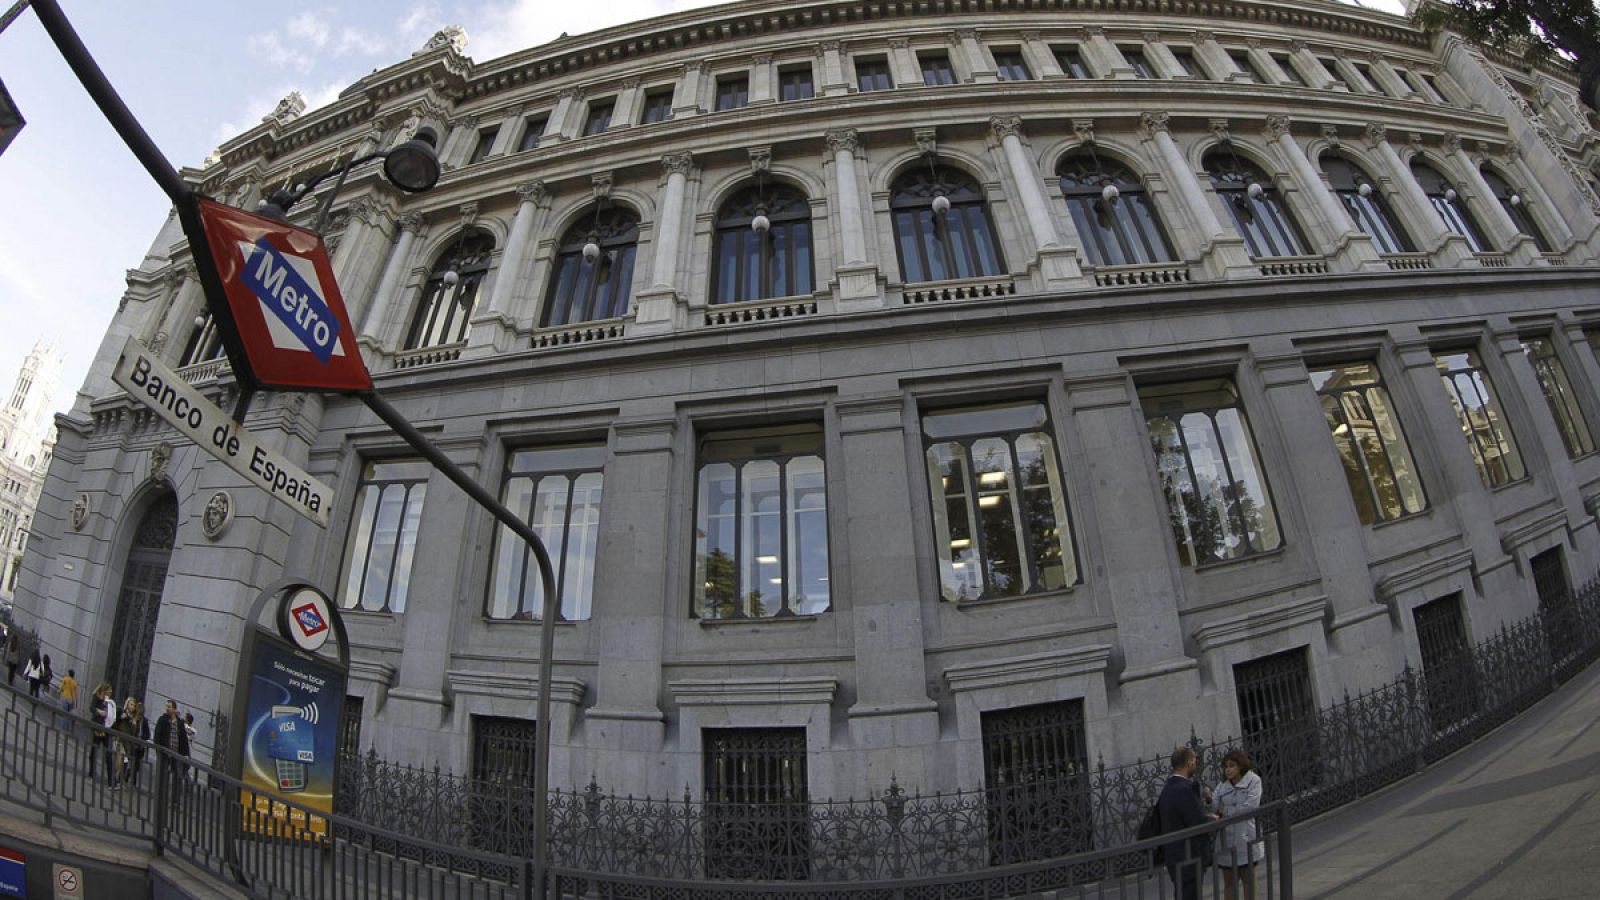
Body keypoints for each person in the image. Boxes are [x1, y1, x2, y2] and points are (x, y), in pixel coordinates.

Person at [1156, 746, 1213, 900]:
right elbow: (1198, 822)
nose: (1195, 764)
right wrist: (1214, 818)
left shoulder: (1169, 787)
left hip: (1176, 855)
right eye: (1194, 761)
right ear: (1189, 762)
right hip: (1188, 856)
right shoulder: (1183, 789)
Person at [1211, 749, 1265, 900]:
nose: (1228, 770)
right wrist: (1210, 800)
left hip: (1246, 837)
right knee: (1229, 883)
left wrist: (1226, 810)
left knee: (1248, 880)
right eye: (1226, 766)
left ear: (1240, 766)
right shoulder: (1223, 785)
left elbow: (1250, 807)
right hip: (1226, 840)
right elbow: (1215, 807)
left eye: (1232, 766)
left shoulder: (1253, 781)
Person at [154, 700, 191, 787]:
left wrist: (185, 753)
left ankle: (175, 797)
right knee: (162, 774)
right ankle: (160, 794)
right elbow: (157, 735)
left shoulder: (180, 722)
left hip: (176, 752)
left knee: (177, 775)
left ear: (174, 709)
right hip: (165, 751)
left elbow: (183, 739)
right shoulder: (162, 719)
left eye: (169, 707)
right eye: (166, 706)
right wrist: (158, 748)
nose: (167, 709)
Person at [88, 682, 115, 785]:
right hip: (98, 727)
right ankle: (91, 773)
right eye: (110, 689)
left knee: (108, 753)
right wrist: (98, 711)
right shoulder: (97, 697)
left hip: (107, 729)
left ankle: (110, 780)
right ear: (105, 690)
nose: (111, 691)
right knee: (94, 750)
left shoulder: (110, 701)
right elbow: (91, 708)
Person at [122, 700, 151, 787]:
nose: (139, 716)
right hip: (132, 744)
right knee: (133, 762)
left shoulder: (144, 721)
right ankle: (133, 782)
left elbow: (147, 734)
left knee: (137, 765)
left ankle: (128, 774)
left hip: (140, 746)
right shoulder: (132, 718)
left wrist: (143, 738)